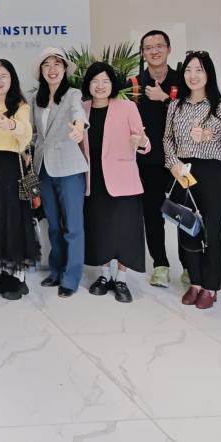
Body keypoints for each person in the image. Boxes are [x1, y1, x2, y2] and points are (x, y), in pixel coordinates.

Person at [164, 51, 221, 310]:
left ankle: (211, 287)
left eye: (199, 70)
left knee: (212, 230)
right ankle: (196, 282)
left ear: (208, 74)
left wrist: (205, 135)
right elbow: (167, 139)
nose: (193, 75)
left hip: (212, 172)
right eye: (189, 70)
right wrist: (173, 164)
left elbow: (215, 132)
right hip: (183, 171)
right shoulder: (175, 105)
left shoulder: (220, 105)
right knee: (187, 227)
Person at [81, 62, 151, 304]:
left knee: (124, 231)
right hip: (93, 179)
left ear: (113, 84)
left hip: (123, 179)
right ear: (88, 84)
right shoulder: (82, 109)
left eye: (105, 81)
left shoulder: (127, 107)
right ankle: (104, 275)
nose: (100, 86)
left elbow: (145, 142)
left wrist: (141, 142)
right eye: (95, 81)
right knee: (99, 227)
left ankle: (121, 278)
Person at [0, 59, 38, 300]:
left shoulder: (19, 106)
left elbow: (26, 134)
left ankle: (19, 277)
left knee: (13, 219)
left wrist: (12, 124)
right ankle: (5, 271)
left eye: (4, 76)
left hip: (9, 166)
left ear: (12, 80)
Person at [30, 47, 88, 298]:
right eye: (47, 65)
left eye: (57, 64)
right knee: (53, 225)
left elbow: (78, 113)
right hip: (43, 168)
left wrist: (79, 127)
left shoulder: (73, 94)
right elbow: (34, 134)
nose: (52, 69)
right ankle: (56, 270)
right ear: (41, 71)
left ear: (64, 69)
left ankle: (71, 277)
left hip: (69, 167)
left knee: (73, 226)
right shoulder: (35, 99)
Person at [133, 29, 187, 288]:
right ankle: (160, 264)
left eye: (159, 46)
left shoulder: (184, 80)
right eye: (148, 47)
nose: (154, 51)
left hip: (180, 160)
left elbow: (191, 114)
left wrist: (165, 99)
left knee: (184, 212)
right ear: (143, 53)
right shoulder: (134, 84)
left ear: (168, 49)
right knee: (152, 214)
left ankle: (190, 265)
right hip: (148, 162)